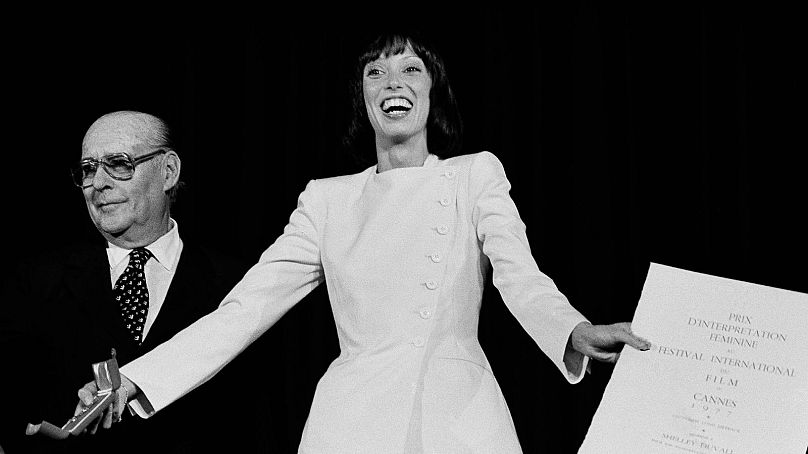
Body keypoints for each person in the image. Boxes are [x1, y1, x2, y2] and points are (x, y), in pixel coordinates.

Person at [77, 35, 650, 453]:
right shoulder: (326, 201)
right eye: (376, 71)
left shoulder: (476, 174)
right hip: (351, 422)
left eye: (411, 69)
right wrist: (136, 378)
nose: (393, 81)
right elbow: (243, 310)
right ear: (363, 99)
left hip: (460, 414)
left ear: (433, 93)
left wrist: (572, 329)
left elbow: (519, 276)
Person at [0, 111, 271, 453]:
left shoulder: (240, 286)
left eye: (118, 163)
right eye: (87, 169)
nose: (98, 183)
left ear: (168, 171)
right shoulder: (35, 283)